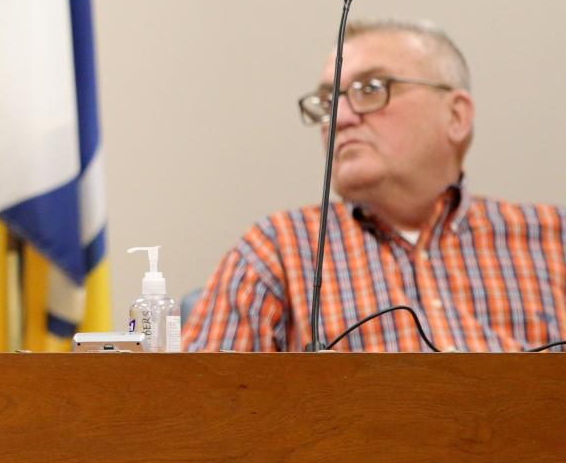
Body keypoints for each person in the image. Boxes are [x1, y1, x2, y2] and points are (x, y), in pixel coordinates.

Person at [184, 18, 566, 352]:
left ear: (456, 115)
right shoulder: (277, 251)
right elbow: (198, 416)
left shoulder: (554, 241)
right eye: (327, 100)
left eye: (370, 88)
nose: (341, 117)